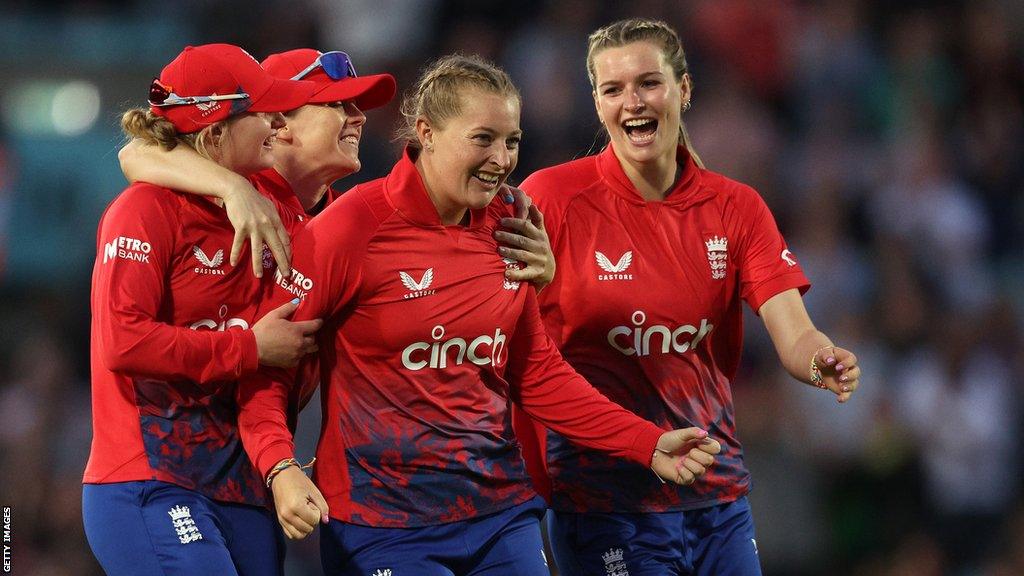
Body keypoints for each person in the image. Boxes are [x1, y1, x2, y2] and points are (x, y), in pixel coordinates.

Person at [235, 53, 722, 576]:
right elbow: (269, 367)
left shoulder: (512, 224)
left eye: (512, 140)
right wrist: (280, 466)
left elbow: (536, 373)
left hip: (498, 512)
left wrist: (645, 442)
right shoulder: (350, 228)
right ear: (427, 132)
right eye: (483, 138)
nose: (502, 157)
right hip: (382, 524)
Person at [506, 18, 863, 576]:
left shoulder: (736, 208)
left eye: (648, 83)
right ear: (597, 104)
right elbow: (506, 333)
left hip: (715, 498)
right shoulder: (551, 198)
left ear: (684, 89)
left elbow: (794, 331)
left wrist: (820, 360)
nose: (632, 102)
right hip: (605, 502)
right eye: (613, 89)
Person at [82, 44, 323, 576]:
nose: (277, 122)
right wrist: (249, 348)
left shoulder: (274, 212)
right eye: (261, 112)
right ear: (215, 132)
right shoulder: (142, 212)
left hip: (240, 487)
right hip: (150, 477)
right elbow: (123, 341)